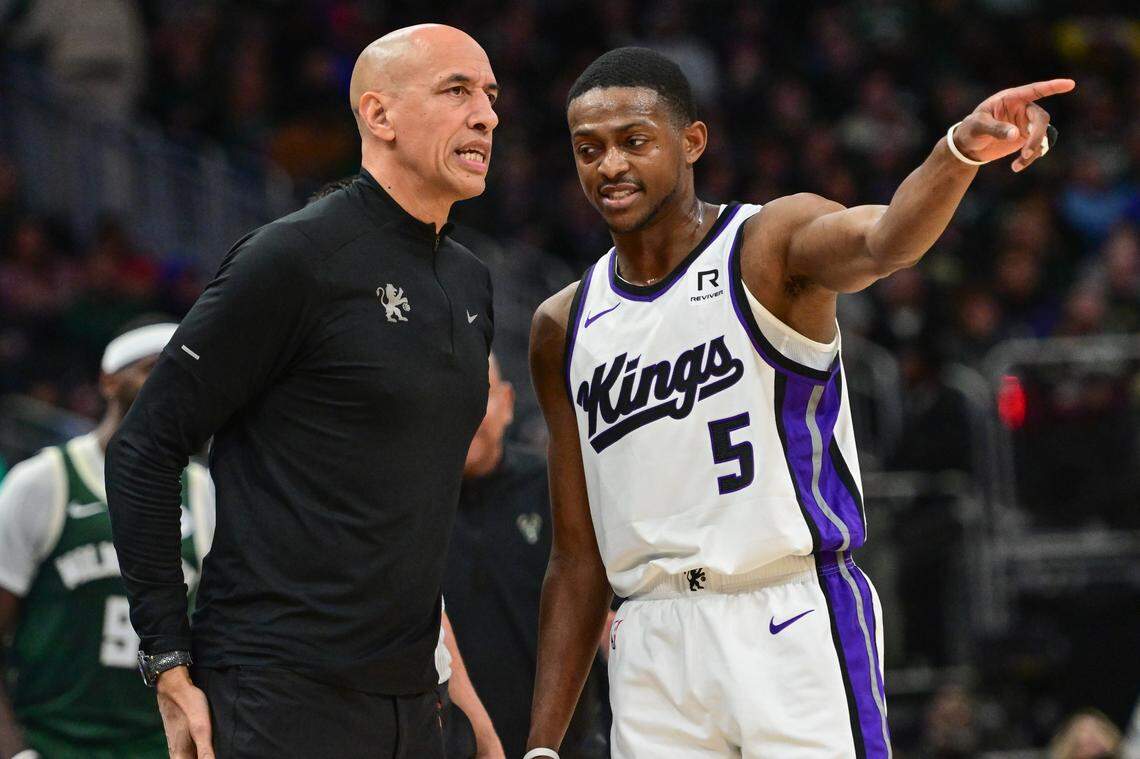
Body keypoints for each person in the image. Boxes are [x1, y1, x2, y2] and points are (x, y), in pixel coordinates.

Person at [525, 47, 1073, 758]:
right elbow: (576, 558)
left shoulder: (765, 244)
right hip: (650, 640)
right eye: (588, 149)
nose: (611, 165)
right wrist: (541, 746)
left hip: (786, 614)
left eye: (634, 141)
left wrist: (957, 152)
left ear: (692, 142)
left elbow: (886, 240)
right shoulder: (562, 326)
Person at [105, 23, 498, 759]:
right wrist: (166, 658)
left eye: (489, 95)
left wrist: (458, 695)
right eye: (456, 91)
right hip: (277, 688)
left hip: (414, 697)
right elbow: (144, 446)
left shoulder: (471, 282)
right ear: (379, 115)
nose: (485, 115)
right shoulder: (295, 256)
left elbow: (406, 503)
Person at [0, 320, 214, 759]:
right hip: (53, 742)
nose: (168, 384)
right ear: (108, 380)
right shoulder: (44, 480)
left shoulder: (205, 490)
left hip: (158, 746)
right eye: (152, 368)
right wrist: (14, 749)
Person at [443, 355, 607, 758]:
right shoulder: (411, 512)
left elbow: (605, 618)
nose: (464, 415)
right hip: (459, 746)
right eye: (448, 398)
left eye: (478, 395)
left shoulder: (554, 490)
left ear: (507, 402)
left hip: (564, 746)